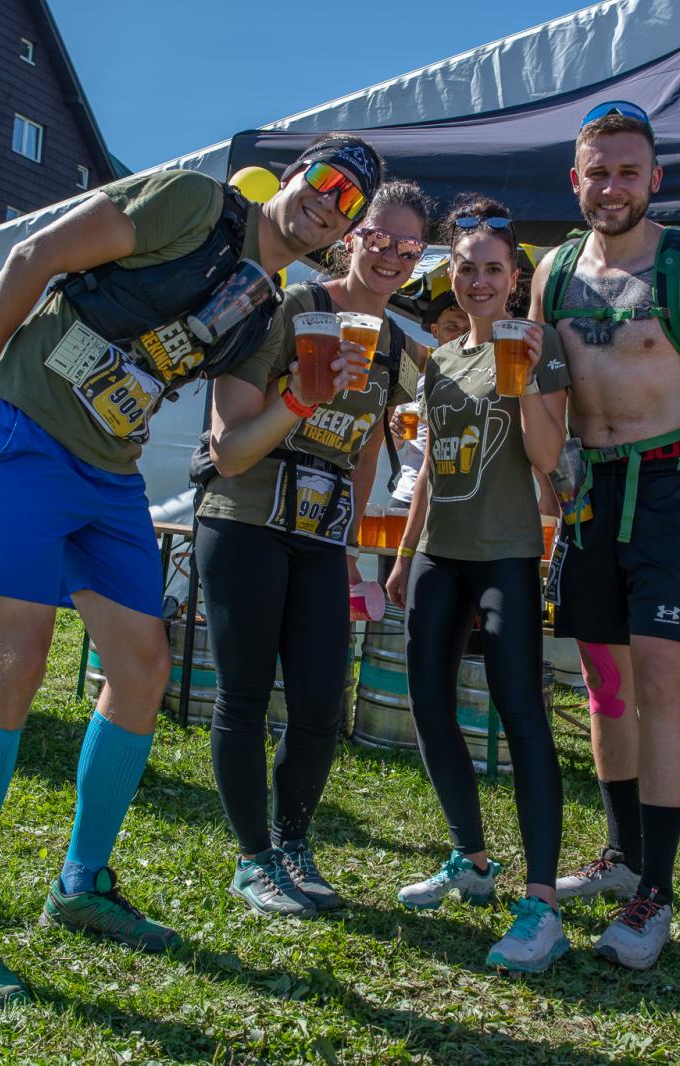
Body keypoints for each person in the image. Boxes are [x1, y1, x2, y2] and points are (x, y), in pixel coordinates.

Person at [0, 136, 382, 1002]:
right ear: (299, 175)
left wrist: (305, 398)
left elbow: (233, 451)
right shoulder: (195, 204)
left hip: (108, 465)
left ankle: (81, 883)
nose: (331, 205)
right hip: (25, 425)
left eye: (351, 205)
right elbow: (32, 257)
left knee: (144, 666)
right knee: (18, 657)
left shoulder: (269, 311)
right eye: (327, 183)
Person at [530, 101, 680, 970]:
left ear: (654, 178)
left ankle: (655, 892)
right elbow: (545, 393)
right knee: (604, 683)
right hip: (590, 490)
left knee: (662, 679)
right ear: (576, 179)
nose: (612, 185)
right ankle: (622, 855)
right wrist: (546, 493)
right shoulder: (551, 270)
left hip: (673, 487)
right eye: (598, 170)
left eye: (629, 170)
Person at [197, 178, 427, 918]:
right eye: (378, 239)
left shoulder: (395, 342)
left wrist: (354, 542)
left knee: (323, 701)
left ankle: (292, 840)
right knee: (244, 694)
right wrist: (303, 387)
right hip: (247, 515)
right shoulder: (299, 305)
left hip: (321, 535)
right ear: (349, 238)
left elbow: (366, 449)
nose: (390, 255)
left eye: (407, 247)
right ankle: (253, 858)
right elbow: (229, 417)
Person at [385, 197, 571, 973]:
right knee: (427, 703)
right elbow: (430, 466)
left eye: (494, 268)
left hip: (504, 554)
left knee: (521, 713)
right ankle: (471, 858)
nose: (479, 280)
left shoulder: (542, 343)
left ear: (516, 277)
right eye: (466, 267)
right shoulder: (441, 358)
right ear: (451, 274)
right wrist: (402, 553)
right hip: (438, 552)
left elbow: (545, 457)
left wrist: (524, 370)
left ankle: (542, 902)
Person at [387, 295, 471, 511]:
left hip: (462, 497)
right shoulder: (412, 372)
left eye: (468, 328)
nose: (461, 334)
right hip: (409, 494)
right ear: (435, 330)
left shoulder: (485, 374)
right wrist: (395, 430)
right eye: (452, 326)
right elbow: (394, 445)